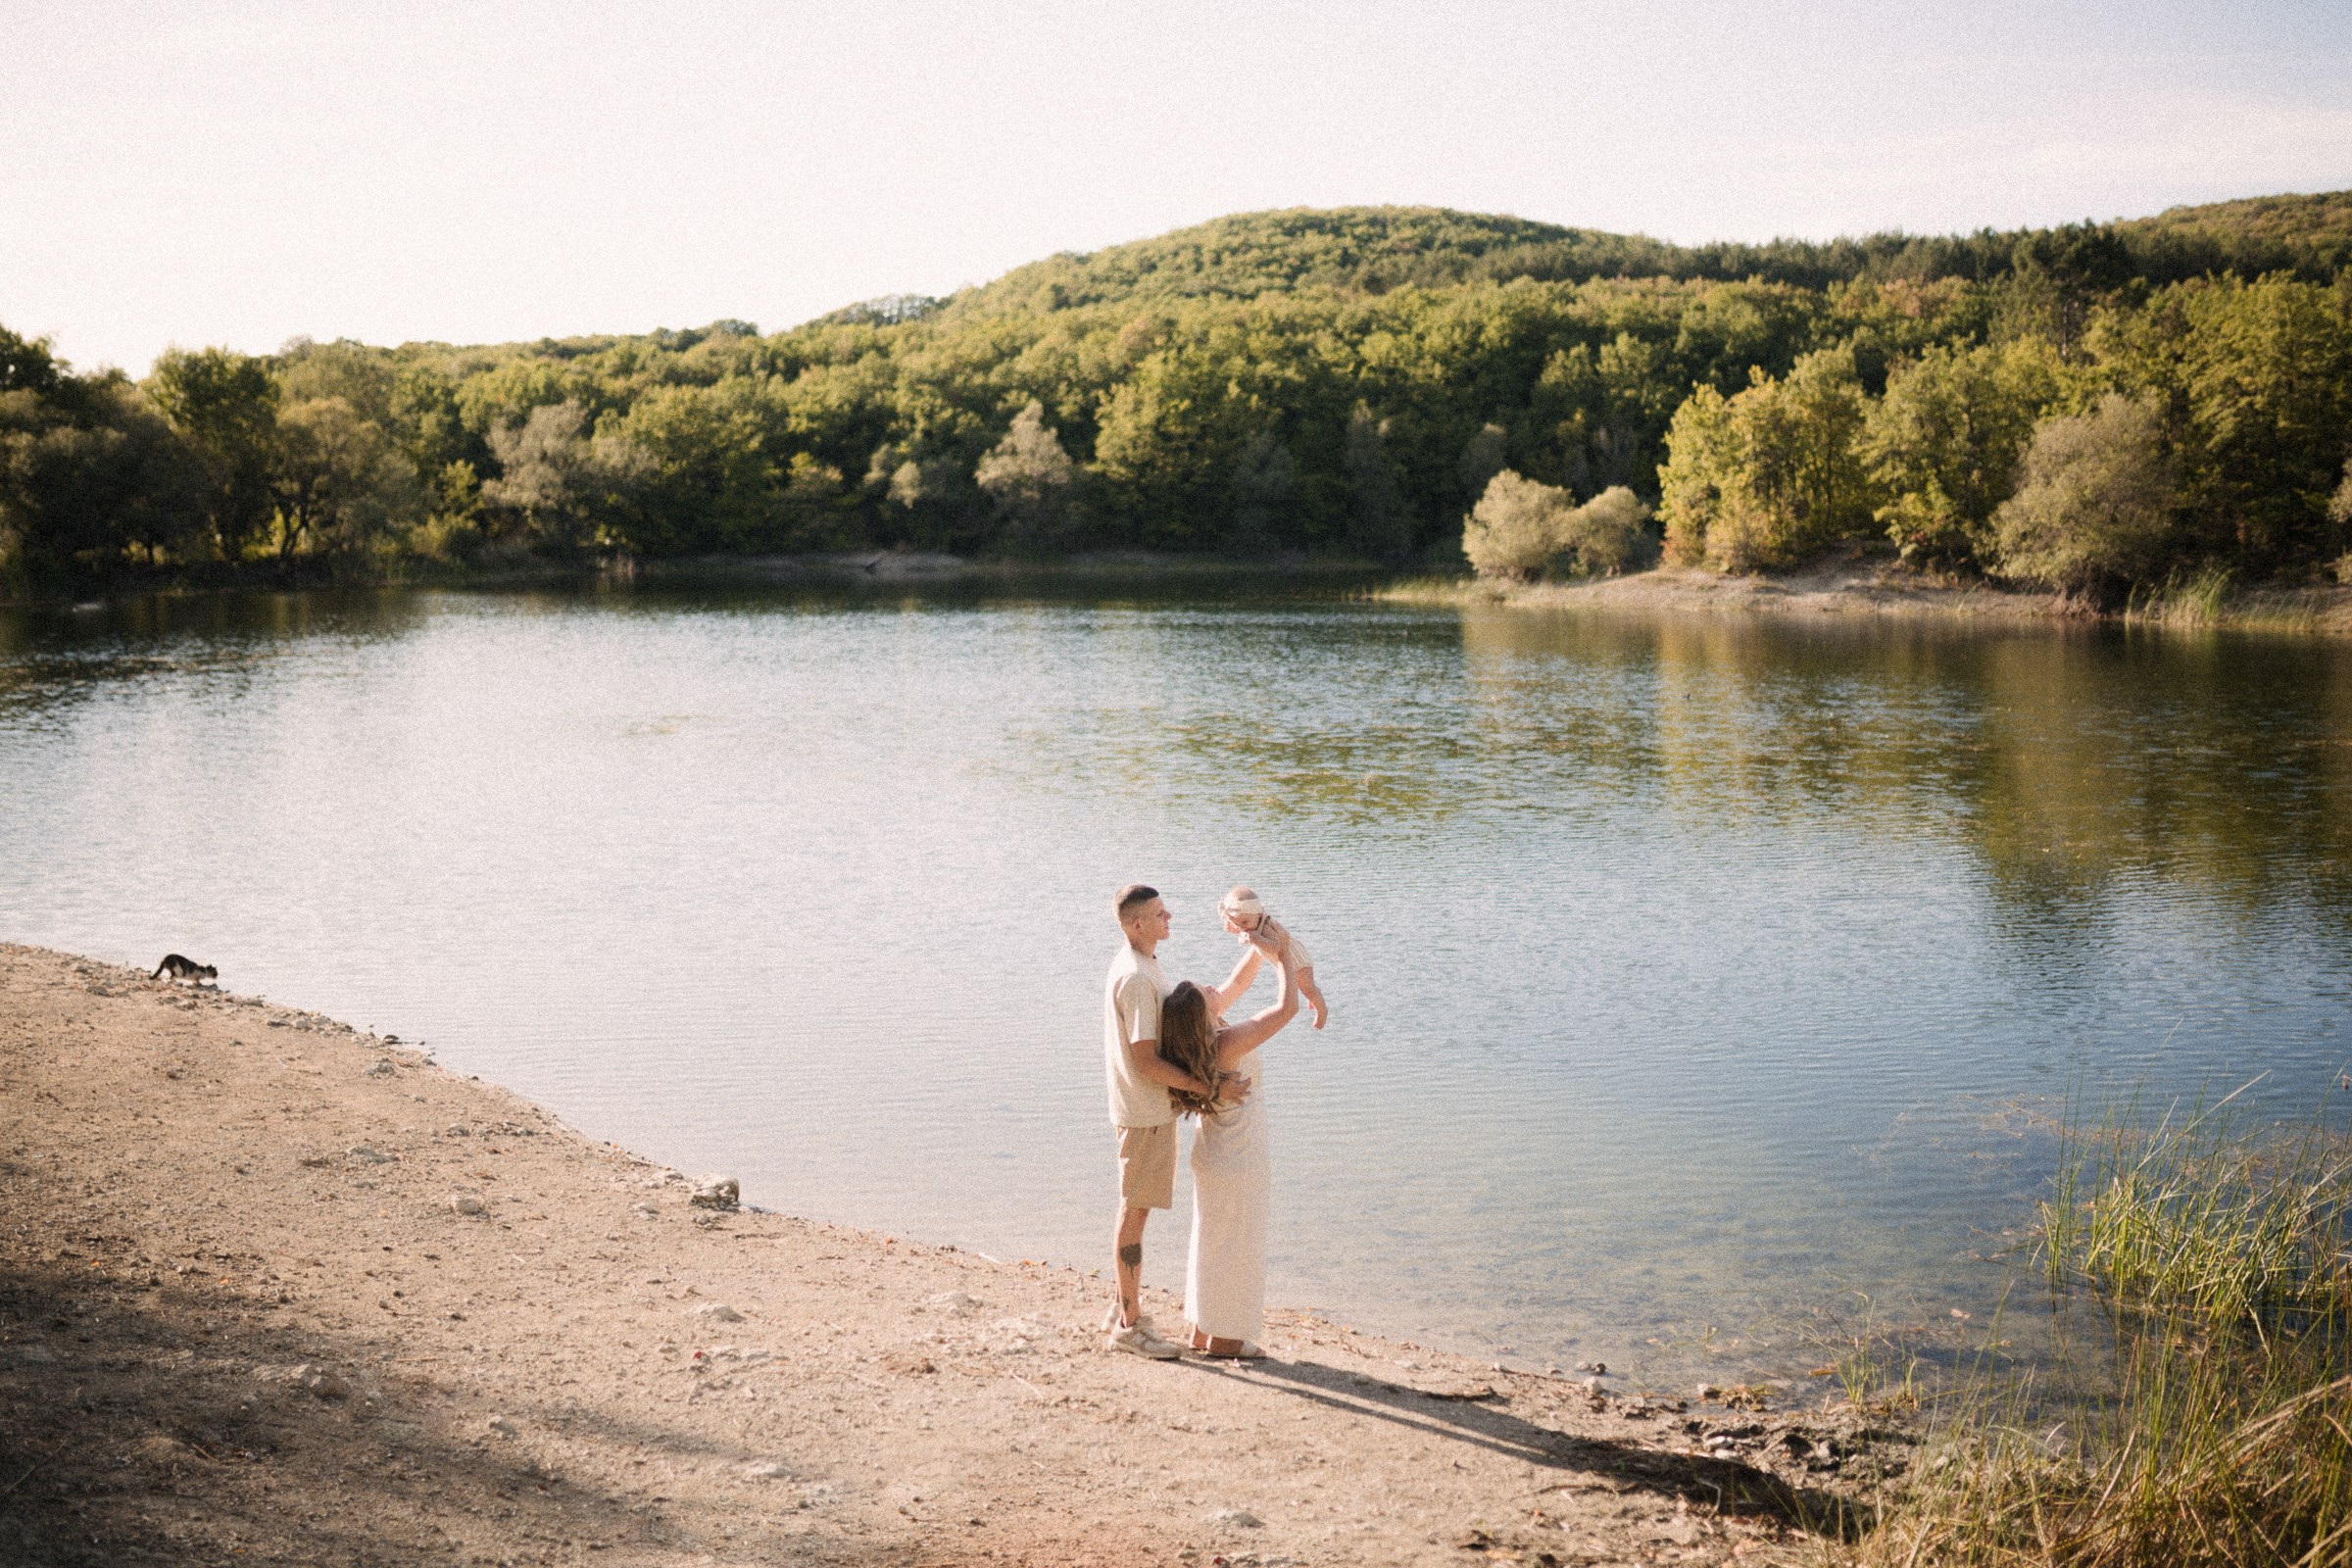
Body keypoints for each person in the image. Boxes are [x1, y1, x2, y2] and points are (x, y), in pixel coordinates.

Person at [1101, 883, 1274, 1357]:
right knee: (1135, 1212)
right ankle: (1129, 1324)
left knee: (1137, 1208)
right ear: (1138, 925)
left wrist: (1259, 944)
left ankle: (1125, 1304)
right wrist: (1211, 1088)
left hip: (1152, 1111)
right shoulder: (1138, 978)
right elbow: (1146, 1063)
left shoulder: (1145, 965)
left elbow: (1224, 996)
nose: (1169, 917)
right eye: (1159, 914)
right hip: (1144, 1113)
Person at [1157, 926, 1302, 1358]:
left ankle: (1204, 1330)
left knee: (1212, 1239)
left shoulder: (1199, 1039)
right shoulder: (1228, 1041)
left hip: (1214, 1153)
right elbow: (1286, 1008)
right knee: (1237, 1244)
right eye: (1204, 992)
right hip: (1239, 1157)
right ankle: (1225, 1339)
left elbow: (1237, 983)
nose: (1210, 986)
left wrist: (1259, 946)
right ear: (1204, 1014)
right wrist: (1287, 959)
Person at [1219, 886, 1326, 1029]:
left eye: (1244, 923)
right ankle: (1313, 996)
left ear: (1258, 913)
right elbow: (1245, 929)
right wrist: (1238, 929)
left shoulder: (1265, 926)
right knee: (1305, 987)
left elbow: (1275, 946)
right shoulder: (1251, 923)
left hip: (1297, 960)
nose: (1242, 928)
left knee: (1308, 987)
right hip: (1284, 962)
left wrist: (1256, 939)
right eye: (1237, 923)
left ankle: (1322, 1010)